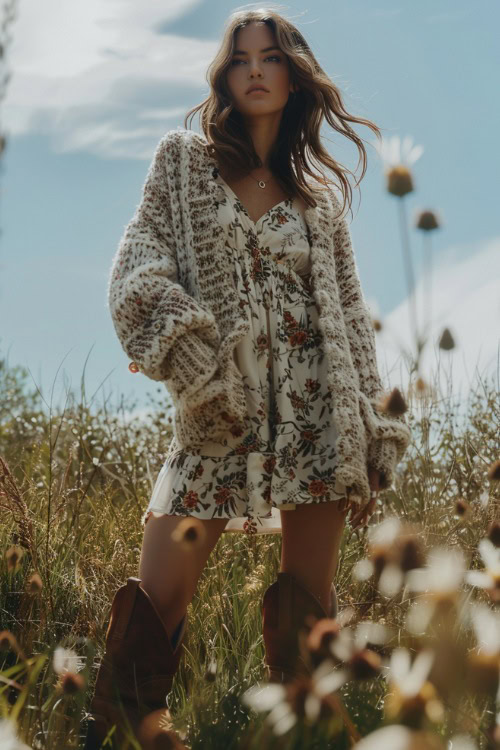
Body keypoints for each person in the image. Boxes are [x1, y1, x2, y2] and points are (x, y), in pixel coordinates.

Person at [84, 8, 411, 748]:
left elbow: (354, 328)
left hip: (316, 422)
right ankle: (108, 738)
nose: (256, 69)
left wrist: (374, 435)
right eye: (240, 58)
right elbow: (136, 272)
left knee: (310, 620)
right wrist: (191, 359)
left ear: (294, 75)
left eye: (270, 57)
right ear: (225, 75)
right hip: (217, 415)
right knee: (153, 605)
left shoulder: (321, 203)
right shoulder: (183, 162)